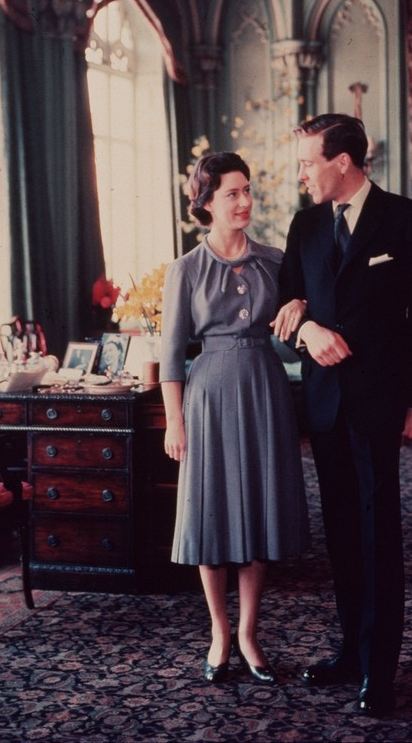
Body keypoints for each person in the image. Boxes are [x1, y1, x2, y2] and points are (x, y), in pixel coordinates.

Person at [275, 113, 412, 718]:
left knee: (377, 534)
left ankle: (380, 669)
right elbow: (286, 307)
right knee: (343, 534)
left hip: (380, 402)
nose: (301, 175)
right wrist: (307, 330)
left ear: (342, 161)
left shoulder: (405, 218)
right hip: (324, 404)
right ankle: (350, 652)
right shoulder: (304, 225)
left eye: (307, 163)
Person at [160, 151, 310, 687]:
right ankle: (219, 631)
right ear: (206, 202)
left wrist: (302, 309)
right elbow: (171, 356)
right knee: (212, 512)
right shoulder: (185, 269)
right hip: (209, 395)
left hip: (264, 389)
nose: (245, 201)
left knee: (259, 511)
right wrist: (174, 422)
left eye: (247, 190)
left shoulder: (275, 259)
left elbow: (293, 328)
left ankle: (249, 633)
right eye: (232, 193)